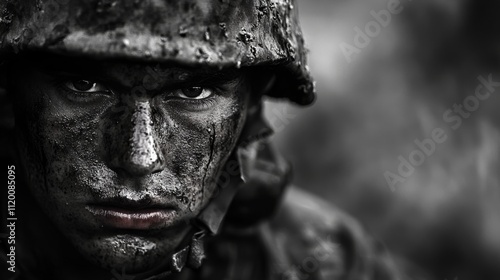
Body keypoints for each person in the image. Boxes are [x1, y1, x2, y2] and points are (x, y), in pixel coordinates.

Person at [0, 0, 408, 279]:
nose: (140, 157)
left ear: (251, 103)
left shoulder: (331, 262)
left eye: (193, 93)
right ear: (7, 92)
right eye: (84, 85)